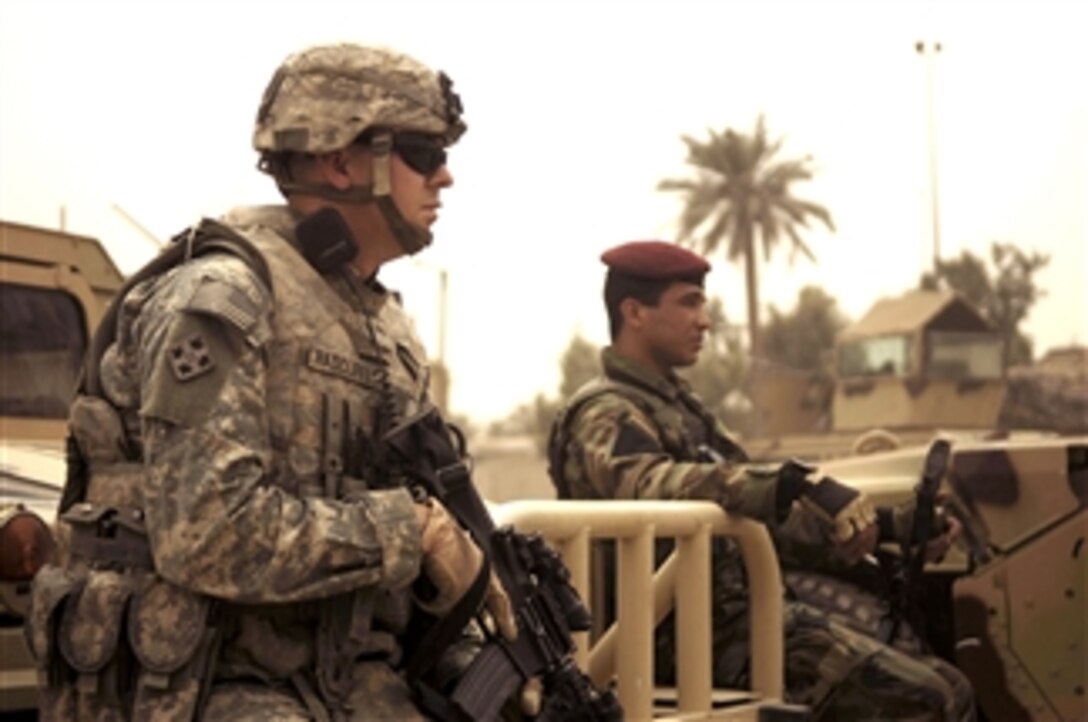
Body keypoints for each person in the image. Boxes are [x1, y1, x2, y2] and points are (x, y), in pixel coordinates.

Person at [28, 43, 518, 721]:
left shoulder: (382, 328)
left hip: (337, 675)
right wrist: (414, 532)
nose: (445, 178)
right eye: (423, 153)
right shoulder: (222, 297)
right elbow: (205, 531)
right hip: (208, 682)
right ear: (340, 161)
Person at [547, 240, 975, 721]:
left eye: (702, 303)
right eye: (688, 302)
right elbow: (651, 483)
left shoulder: (680, 411)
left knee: (953, 682)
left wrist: (888, 526)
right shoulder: (604, 412)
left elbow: (762, 514)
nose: (704, 320)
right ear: (634, 312)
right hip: (672, 635)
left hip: (730, 619)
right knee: (927, 699)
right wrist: (786, 482)